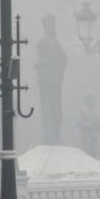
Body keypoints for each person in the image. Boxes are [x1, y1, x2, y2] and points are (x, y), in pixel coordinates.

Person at [35, 14, 67, 145]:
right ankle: (49, 133)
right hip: (46, 80)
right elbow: (52, 58)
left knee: (54, 106)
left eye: (51, 25)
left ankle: (54, 133)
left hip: (53, 80)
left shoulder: (54, 42)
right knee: (48, 106)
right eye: (47, 25)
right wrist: (42, 64)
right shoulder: (43, 42)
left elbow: (62, 58)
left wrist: (40, 64)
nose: (50, 27)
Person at [76, 94, 100, 159]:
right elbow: (78, 122)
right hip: (86, 133)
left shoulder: (97, 111)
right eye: (91, 100)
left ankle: (94, 158)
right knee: (87, 148)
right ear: (87, 101)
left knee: (95, 149)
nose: (93, 102)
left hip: (94, 133)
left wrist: (98, 127)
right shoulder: (83, 110)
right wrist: (85, 126)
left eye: (93, 100)